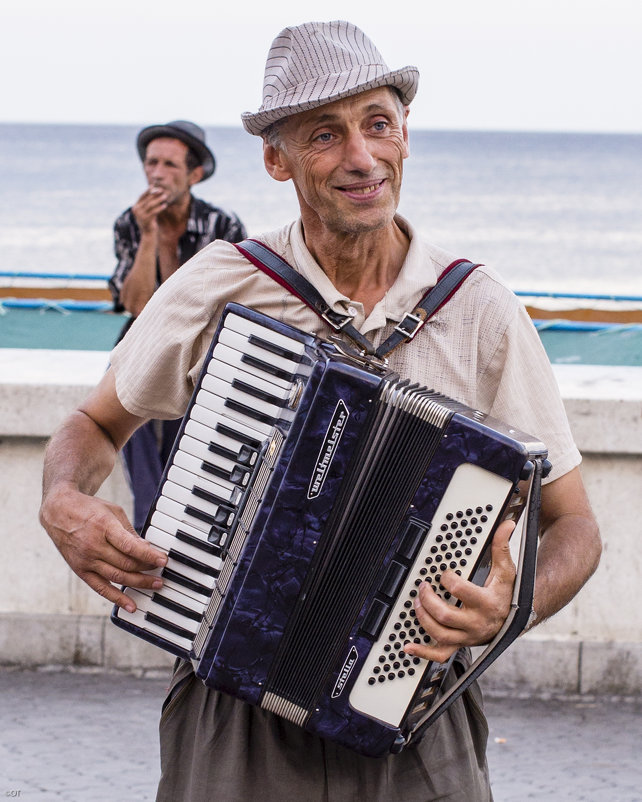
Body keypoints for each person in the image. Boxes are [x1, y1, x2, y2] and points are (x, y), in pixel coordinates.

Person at [39, 20, 601, 801]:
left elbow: (575, 525)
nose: (361, 157)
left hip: (410, 708)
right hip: (230, 713)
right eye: (324, 135)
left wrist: (512, 605)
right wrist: (62, 499)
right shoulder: (222, 284)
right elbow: (96, 426)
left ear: (406, 136)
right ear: (276, 158)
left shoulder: (479, 308)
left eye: (378, 124)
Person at [109, 120, 247, 531]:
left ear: (194, 174)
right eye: (151, 163)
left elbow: (232, 307)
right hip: (144, 340)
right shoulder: (129, 223)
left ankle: (170, 521)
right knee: (123, 411)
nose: (156, 173)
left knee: (186, 440)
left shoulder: (222, 227)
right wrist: (149, 235)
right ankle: (149, 523)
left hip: (204, 347)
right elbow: (135, 305)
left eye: (169, 165)